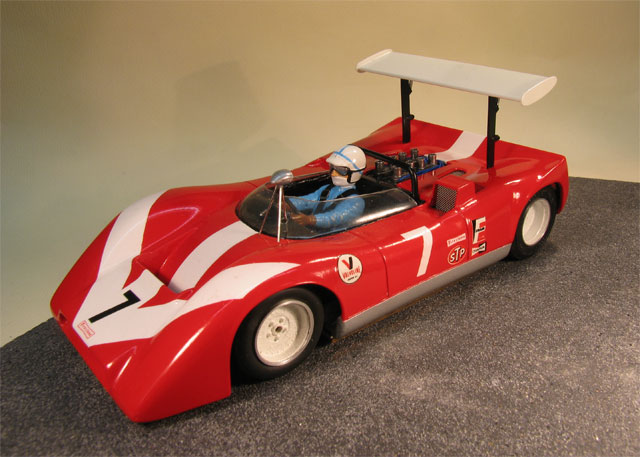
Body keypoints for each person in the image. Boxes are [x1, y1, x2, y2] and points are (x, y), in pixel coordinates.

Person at [290, 145, 366, 229]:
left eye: (341, 170)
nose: (333, 173)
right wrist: (289, 203)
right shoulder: (328, 189)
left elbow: (335, 218)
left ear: (354, 173)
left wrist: (311, 220)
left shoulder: (356, 202)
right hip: (314, 231)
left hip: (335, 234)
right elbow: (308, 201)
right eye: (332, 168)